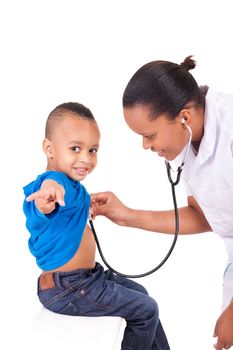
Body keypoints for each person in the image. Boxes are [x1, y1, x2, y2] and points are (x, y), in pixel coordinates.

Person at [90, 56, 233, 350]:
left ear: (184, 117)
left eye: (149, 135)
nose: (146, 146)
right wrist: (126, 215)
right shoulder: (189, 140)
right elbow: (206, 217)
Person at [23, 102, 170, 350]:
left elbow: (66, 206)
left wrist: (83, 208)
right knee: (146, 309)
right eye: (75, 148)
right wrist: (48, 199)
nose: (86, 158)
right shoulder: (52, 183)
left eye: (92, 150)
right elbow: (49, 191)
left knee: (143, 294)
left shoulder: (74, 188)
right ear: (49, 149)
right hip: (69, 288)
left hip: (86, 279)